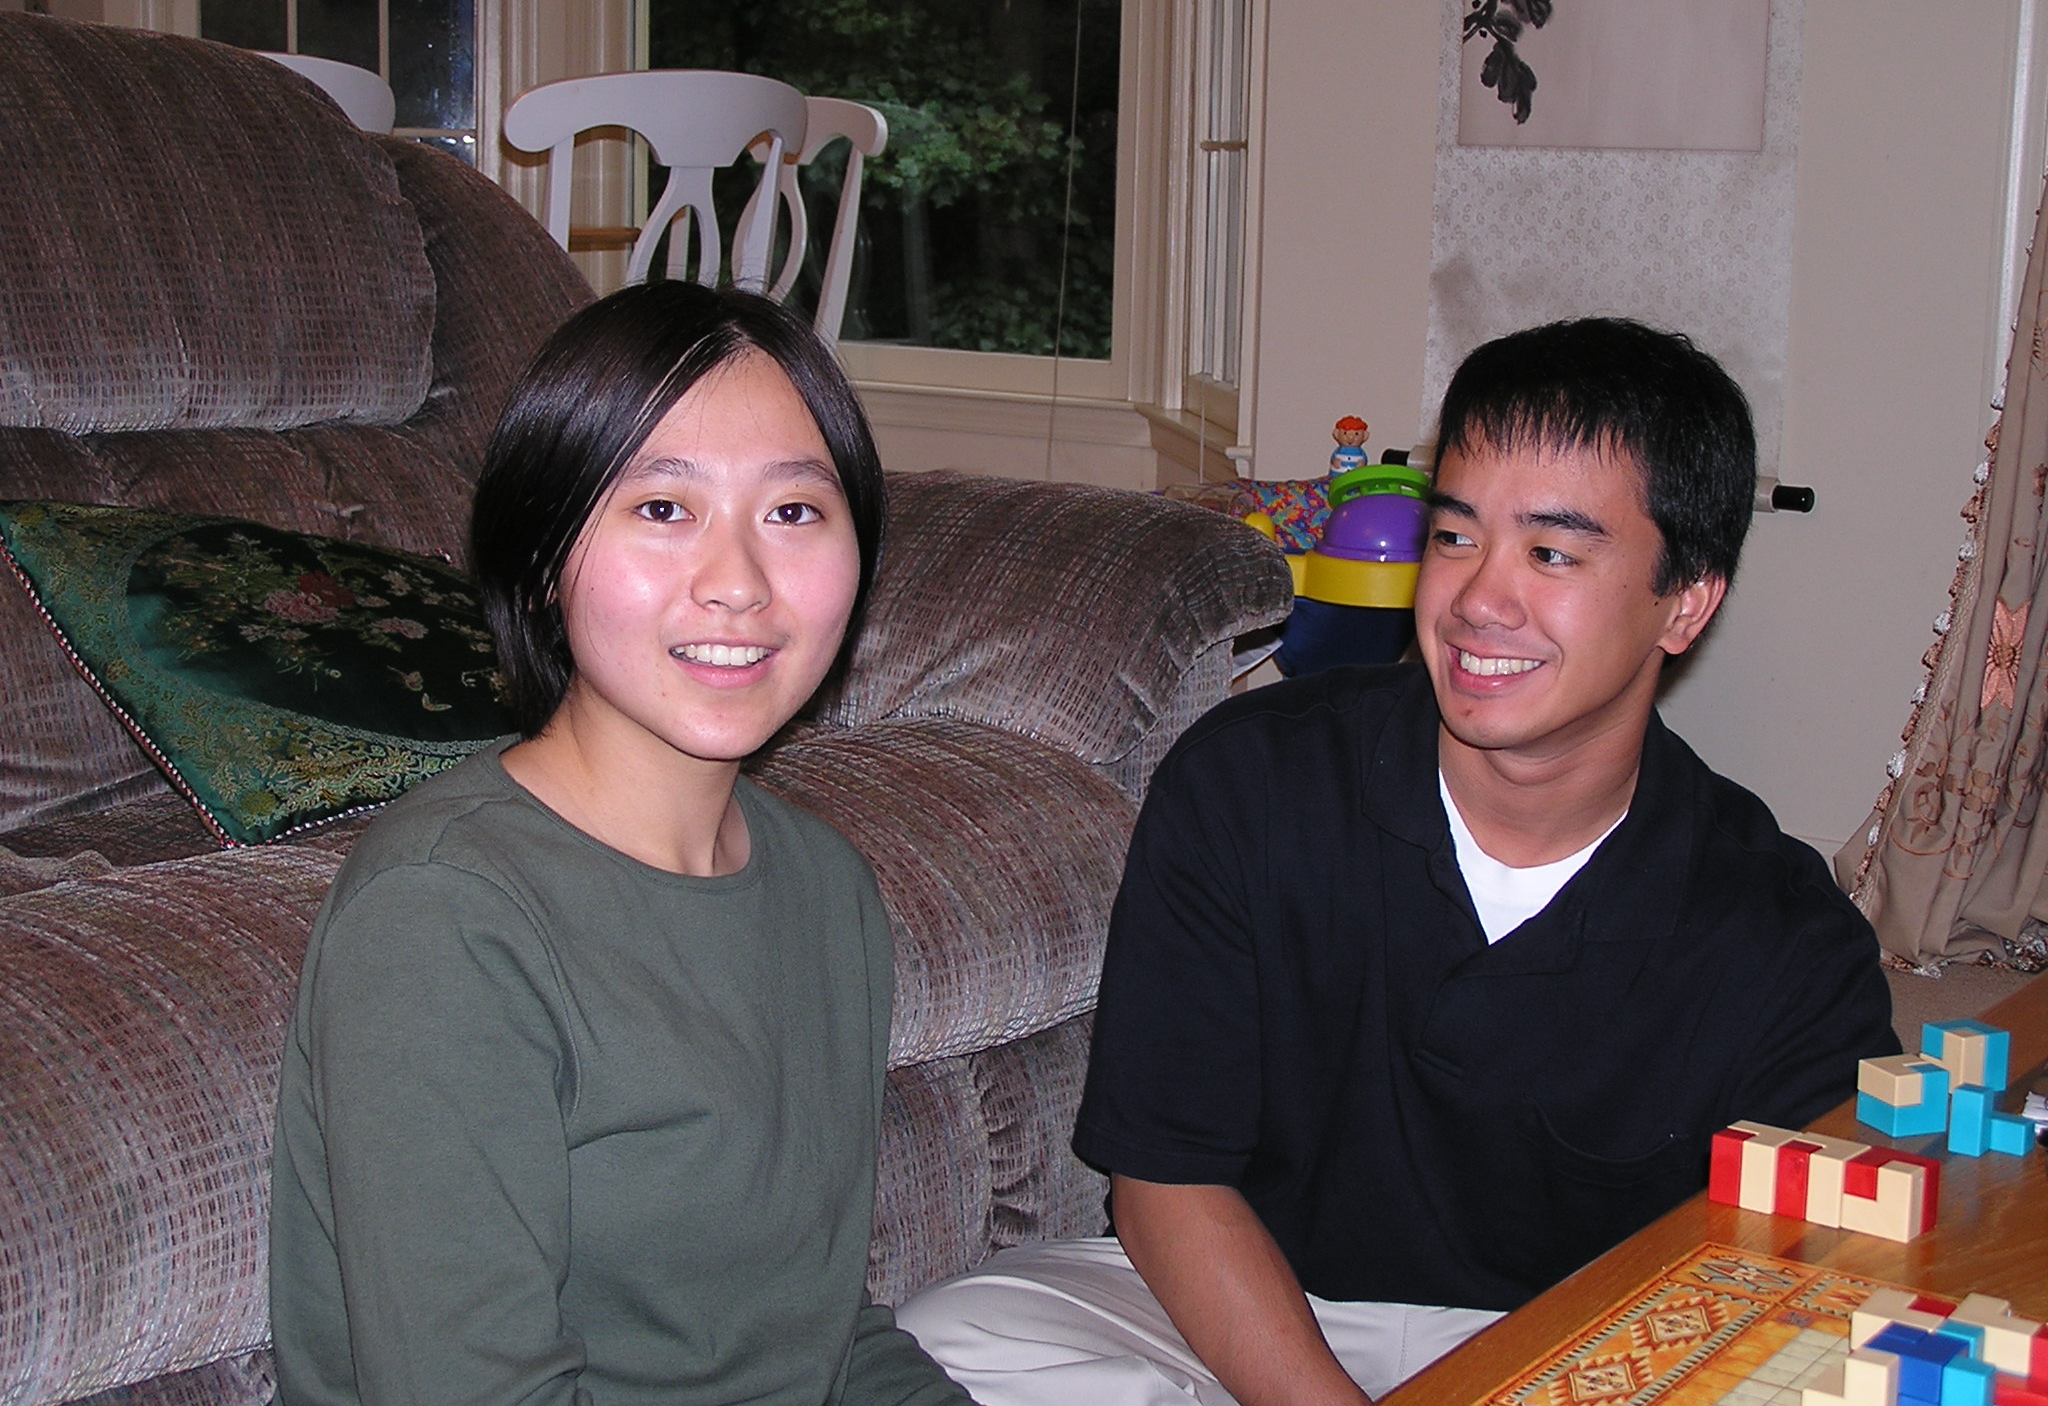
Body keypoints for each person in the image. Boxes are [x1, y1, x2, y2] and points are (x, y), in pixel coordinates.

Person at [897, 317, 1898, 1405]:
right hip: (1252, 1307)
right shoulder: (1251, 783)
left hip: (1570, 1344)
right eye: (1456, 537)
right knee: (951, 1341)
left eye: (1551, 554)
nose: (1477, 602)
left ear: (1685, 602)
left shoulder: (1774, 930)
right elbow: (1164, 1182)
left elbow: (1813, 1266)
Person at [269, 282, 970, 1406]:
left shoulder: (826, 887)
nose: (738, 583)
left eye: (795, 511)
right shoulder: (443, 919)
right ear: (544, 556)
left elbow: (825, 1336)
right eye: (662, 507)